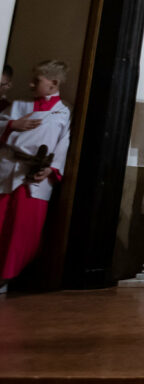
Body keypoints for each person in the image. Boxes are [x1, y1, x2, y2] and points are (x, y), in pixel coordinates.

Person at [0, 60, 72, 292]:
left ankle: (7, 277)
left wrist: (52, 169)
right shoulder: (18, 106)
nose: (30, 84)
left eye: (37, 81)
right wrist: (12, 125)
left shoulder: (62, 112)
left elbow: (63, 144)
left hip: (35, 176)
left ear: (53, 83)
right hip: (8, 169)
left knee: (23, 230)